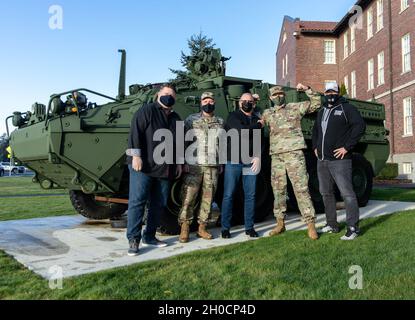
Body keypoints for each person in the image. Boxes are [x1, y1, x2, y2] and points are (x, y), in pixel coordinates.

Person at [126, 84, 183, 256]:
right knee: (137, 202)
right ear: (158, 95)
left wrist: (179, 163)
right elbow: (135, 132)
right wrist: (136, 156)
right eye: (166, 93)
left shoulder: (176, 117)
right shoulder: (147, 110)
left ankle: (149, 236)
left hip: (165, 168)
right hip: (143, 165)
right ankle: (134, 239)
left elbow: (179, 143)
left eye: (172, 95)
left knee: (159, 204)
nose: (169, 97)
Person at [263, 84, 321, 240]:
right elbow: (256, 122)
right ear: (270, 98)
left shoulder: (295, 108)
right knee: (278, 191)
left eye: (281, 94)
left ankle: (310, 224)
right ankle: (280, 223)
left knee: (301, 189)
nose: (278, 97)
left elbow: (316, 103)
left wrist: (308, 89)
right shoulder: (267, 113)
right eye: (275, 95)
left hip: (294, 154)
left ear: (284, 95)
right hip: (277, 156)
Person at [312, 82, 366, 241]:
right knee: (326, 193)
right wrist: (315, 146)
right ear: (324, 93)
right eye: (327, 92)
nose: (330, 95)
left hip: (340, 161)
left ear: (338, 93)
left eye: (333, 92)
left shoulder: (346, 108)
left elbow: (359, 126)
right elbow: (316, 130)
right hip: (322, 161)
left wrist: (347, 147)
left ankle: (353, 228)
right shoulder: (322, 111)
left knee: (347, 194)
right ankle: (332, 224)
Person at [178, 92, 224, 243]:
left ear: (214, 103)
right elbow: (182, 140)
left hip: (212, 166)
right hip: (194, 165)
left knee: (208, 198)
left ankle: (202, 227)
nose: (208, 103)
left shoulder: (219, 121)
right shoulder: (191, 119)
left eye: (211, 100)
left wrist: (221, 162)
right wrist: (182, 161)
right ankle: (185, 227)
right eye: (205, 100)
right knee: (189, 196)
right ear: (201, 103)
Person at [221, 93, 264, 239]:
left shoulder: (257, 119)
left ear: (254, 103)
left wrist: (258, 156)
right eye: (244, 101)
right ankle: (225, 228)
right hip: (233, 160)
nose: (247, 103)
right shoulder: (233, 116)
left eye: (250, 101)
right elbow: (241, 132)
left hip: (250, 161)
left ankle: (249, 227)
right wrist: (258, 125)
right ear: (239, 103)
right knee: (229, 194)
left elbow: (260, 140)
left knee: (250, 195)